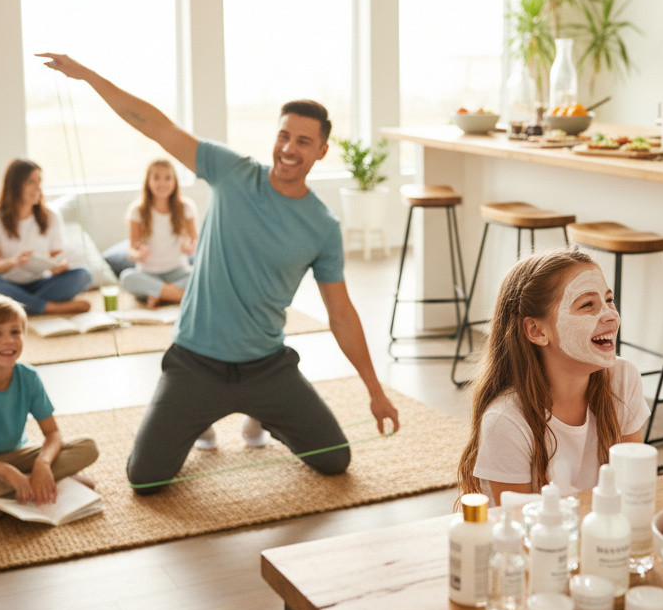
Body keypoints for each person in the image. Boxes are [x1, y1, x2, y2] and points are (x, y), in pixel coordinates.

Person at [35, 53, 400, 493]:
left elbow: (340, 314)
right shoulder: (232, 171)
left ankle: (264, 414)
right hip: (195, 362)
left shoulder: (322, 226)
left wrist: (375, 391)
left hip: (267, 367)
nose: (289, 149)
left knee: (335, 460)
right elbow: (156, 125)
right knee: (145, 478)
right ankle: (200, 417)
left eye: (303, 142)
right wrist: (90, 77)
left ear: (321, 151)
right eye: (284, 135)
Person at [457, 249, 649, 505]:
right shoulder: (505, 420)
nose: (611, 315)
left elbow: (635, 489)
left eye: (609, 300)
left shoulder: (623, 378)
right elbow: (519, 522)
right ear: (537, 331)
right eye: (587, 305)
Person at [0, 295, 99, 520]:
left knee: (88, 446)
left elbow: (52, 433)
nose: (8, 340)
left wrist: (43, 464)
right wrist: (5, 471)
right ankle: (45, 483)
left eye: (15, 332)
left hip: (15, 456)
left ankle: (13, 489)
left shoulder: (29, 377)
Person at [0, 158, 92, 315]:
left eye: (39, 182)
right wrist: (13, 262)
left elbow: (56, 257)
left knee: (83, 275)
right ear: (14, 185)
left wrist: (59, 266)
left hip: (41, 283)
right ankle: (50, 307)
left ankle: (23, 305)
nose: (38, 188)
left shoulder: (51, 215)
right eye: (31, 182)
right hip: (7, 283)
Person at [121, 159, 199, 307]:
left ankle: (159, 294)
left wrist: (190, 248)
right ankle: (177, 295)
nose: (162, 183)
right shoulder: (137, 210)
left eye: (167, 178)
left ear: (175, 181)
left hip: (178, 271)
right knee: (127, 278)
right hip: (148, 273)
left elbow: (196, 243)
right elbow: (131, 252)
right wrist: (139, 255)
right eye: (156, 178)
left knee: (203, 275)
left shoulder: (186, 207)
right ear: (148, 182)